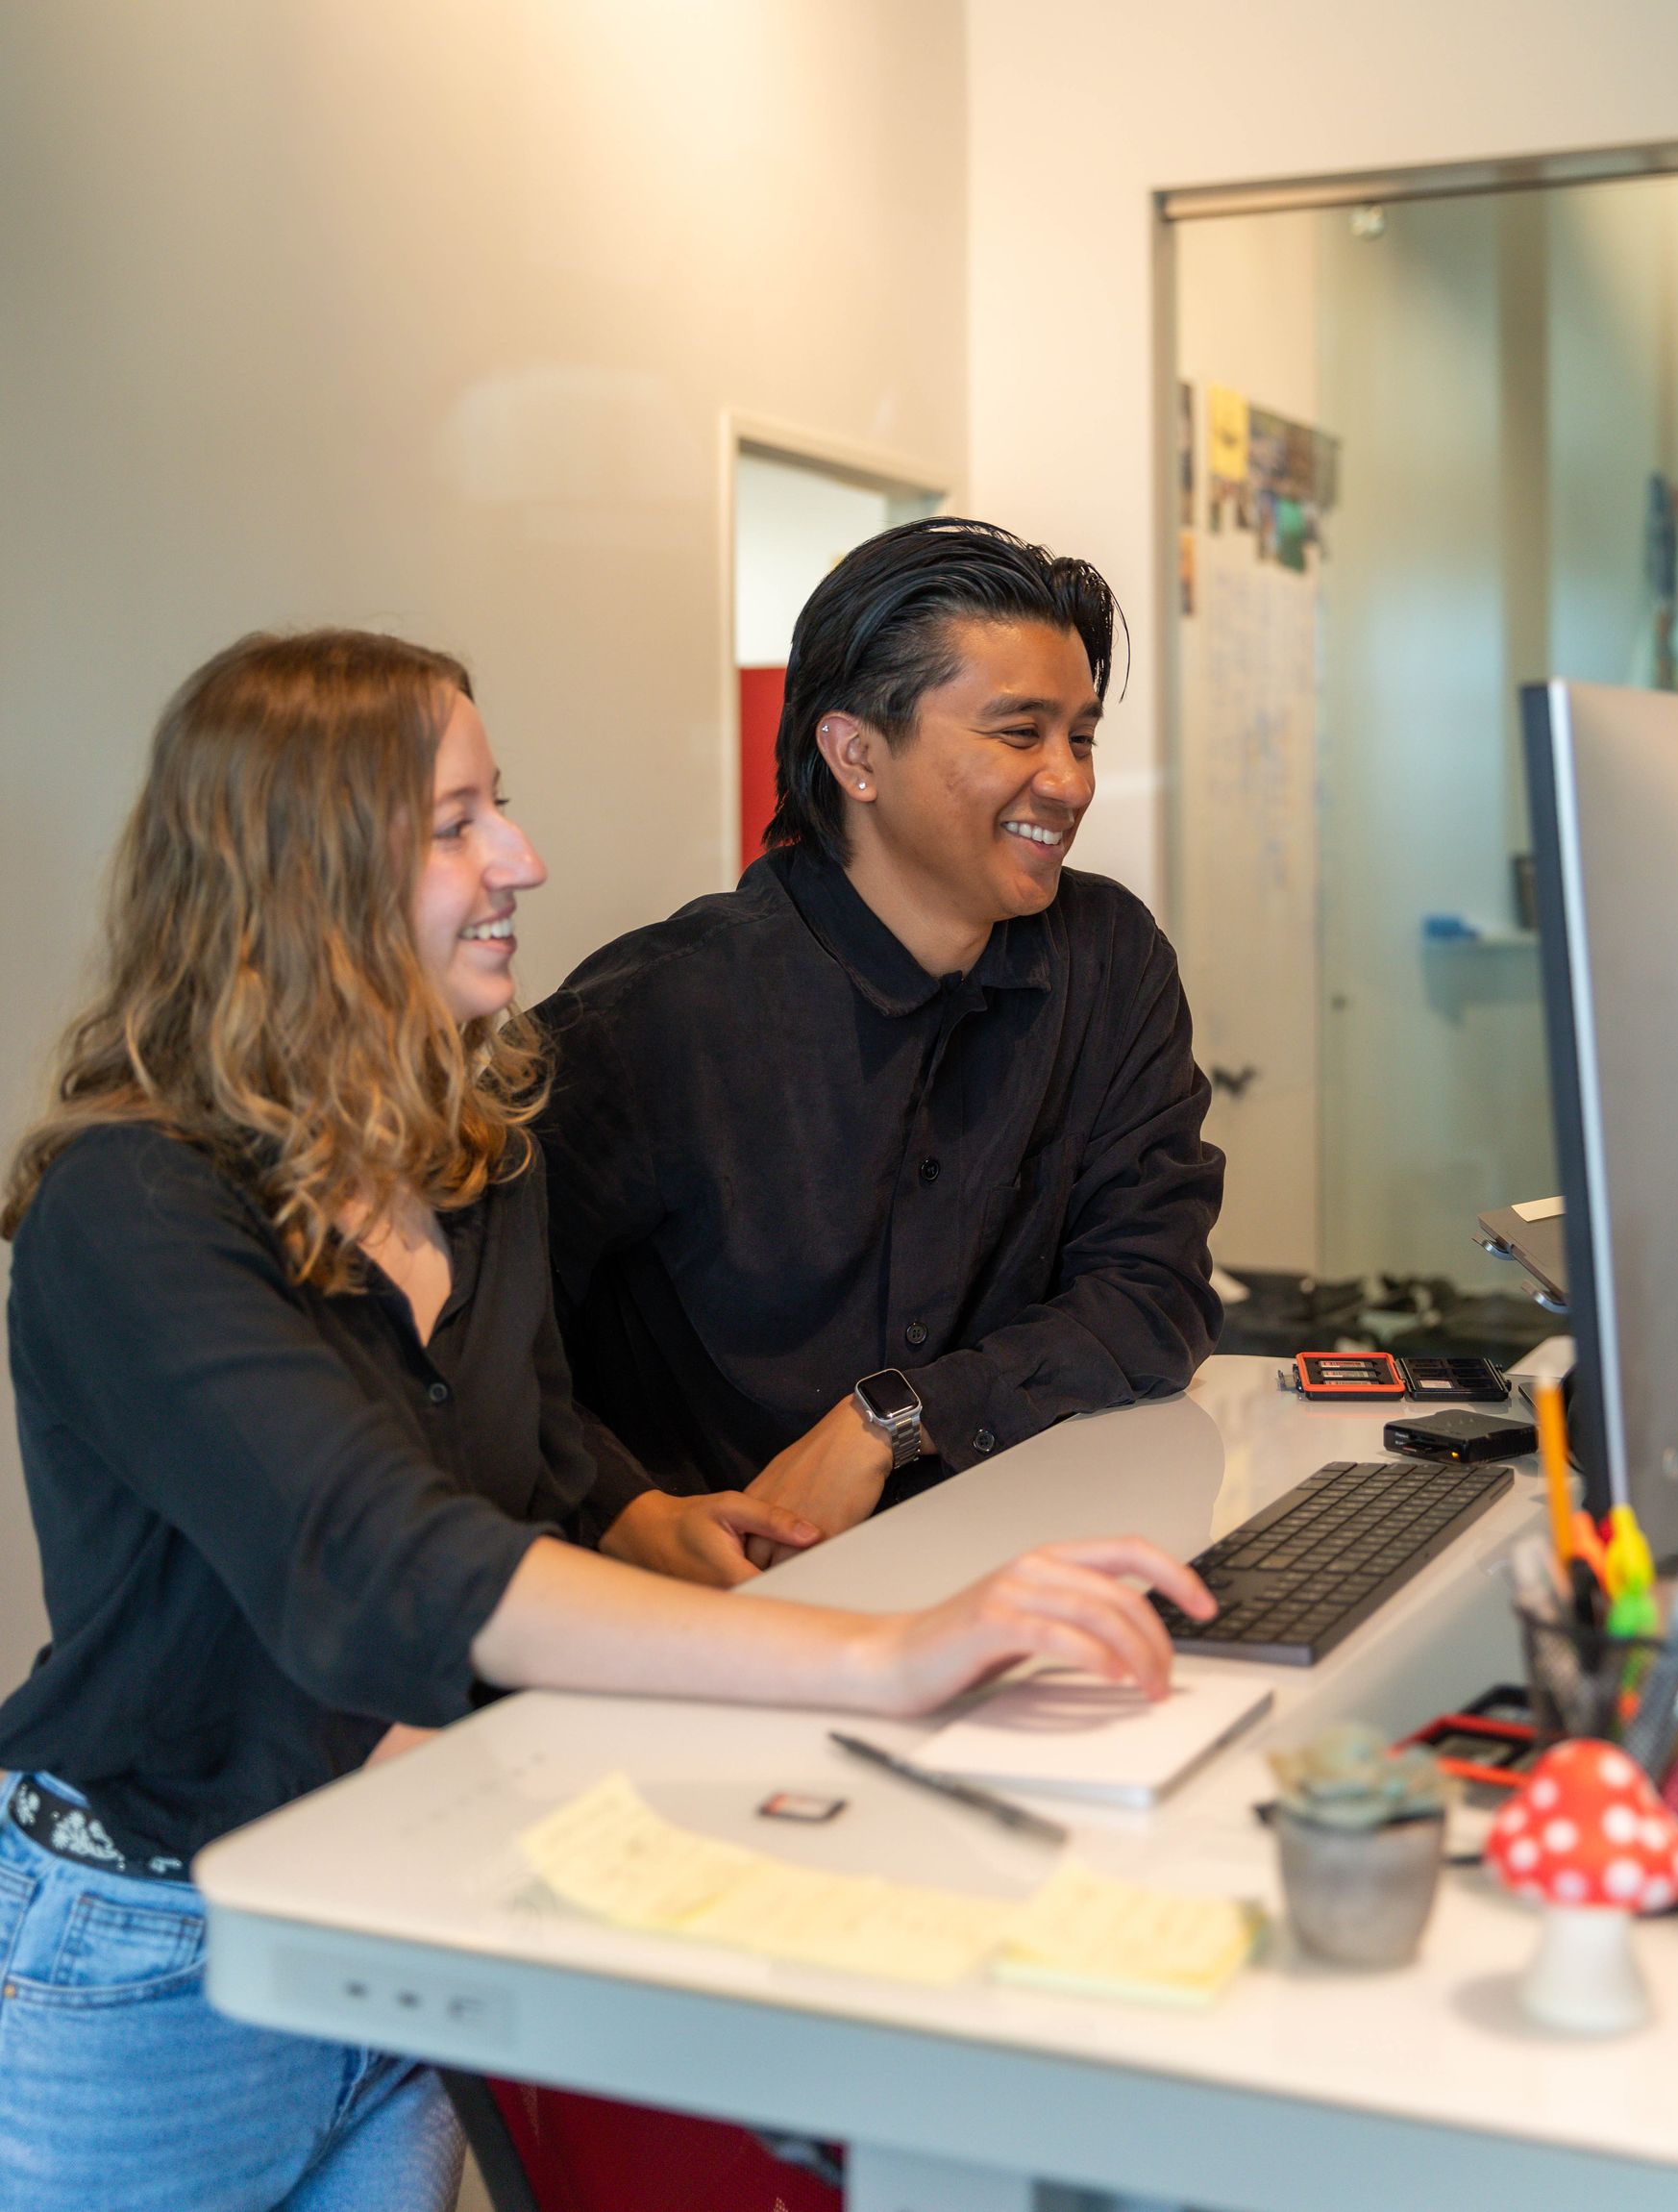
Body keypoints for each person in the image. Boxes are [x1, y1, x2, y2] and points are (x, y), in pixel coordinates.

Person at [0, 630, 1213, 2212]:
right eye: (455, 825)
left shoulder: (473, 1153)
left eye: (497, 805)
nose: (522, 856)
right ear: (291, 871)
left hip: (405, 1892)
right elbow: (386, 1557)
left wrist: (646, 1521)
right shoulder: (132, 1205)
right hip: (158, 1950)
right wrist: (882, 1650)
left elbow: (530, 1446)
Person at [537, 518, 1223, 1584]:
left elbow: (1153, 1291)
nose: (1071, 782)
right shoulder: (657, 1015)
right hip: (717, 1614)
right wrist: (621, 1508)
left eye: (1081, 736)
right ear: (856, 753)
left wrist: (892, 1418)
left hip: (1001, 1567)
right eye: (1019, 733)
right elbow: (465, 1338)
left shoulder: (1110, 962)